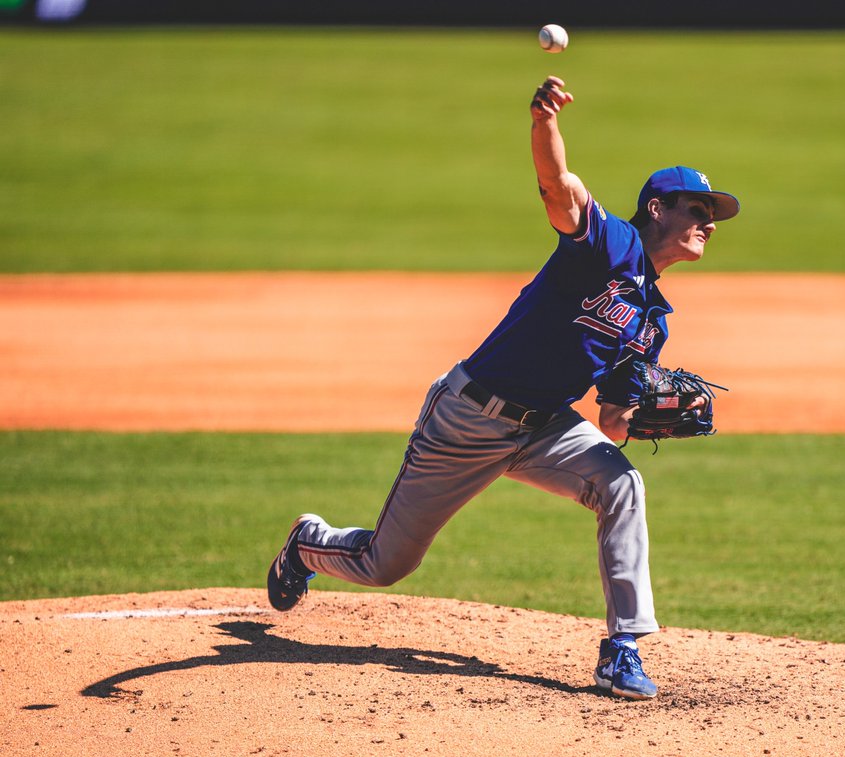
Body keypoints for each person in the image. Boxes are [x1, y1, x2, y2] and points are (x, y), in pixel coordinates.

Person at [267, 75, 740, 701]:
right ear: (657, 208)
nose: (709, 223)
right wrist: (545, 122)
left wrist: (650, 417)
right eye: (698, 210)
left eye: (713, 216)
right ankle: (308, 545)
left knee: (622, 482)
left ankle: (621, 651)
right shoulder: (610, 243)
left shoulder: (652, 322)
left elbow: (613, 426)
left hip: (544, 427)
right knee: (387, 565)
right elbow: (558, 189)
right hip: (468, 415)